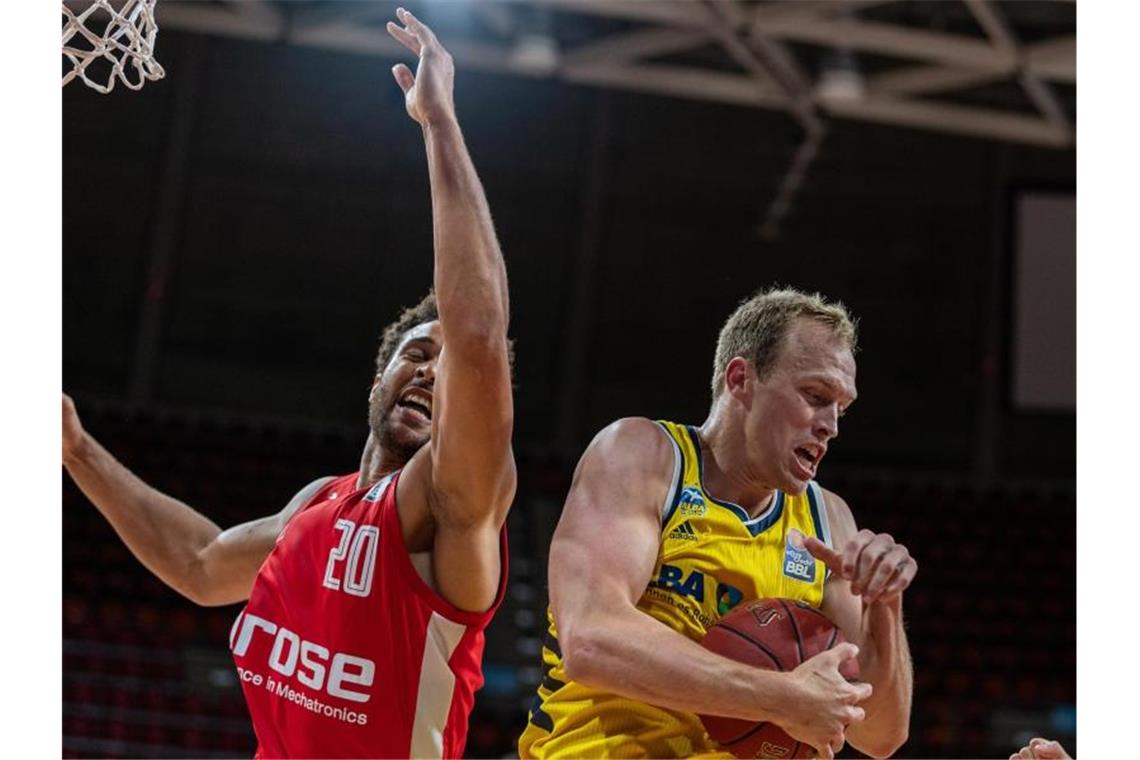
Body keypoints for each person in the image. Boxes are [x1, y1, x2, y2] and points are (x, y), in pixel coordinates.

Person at [62, 9, 515, 758]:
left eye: (446, 368)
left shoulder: (449, 509)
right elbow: (203, 565)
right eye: (413, 355)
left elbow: (477, 338)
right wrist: (77, 450)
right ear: (378, 378)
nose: (431, 372)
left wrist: (439, 124)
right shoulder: (316, 505)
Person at [518, 288, 916, 760]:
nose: (831, 424)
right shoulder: (642, 456)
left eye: (840, 408)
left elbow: (880, 736)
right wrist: (781, 696)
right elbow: (592, 640)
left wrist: (885, 607)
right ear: (740, 379)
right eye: (815, 396)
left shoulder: (829, 520)